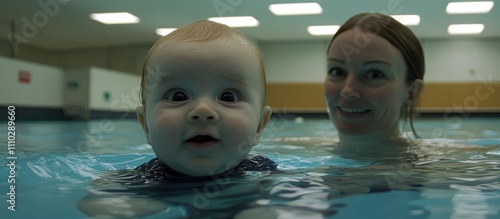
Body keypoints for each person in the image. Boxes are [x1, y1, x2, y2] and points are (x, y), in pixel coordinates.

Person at [79, 20, 276, 218]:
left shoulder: (261, 170)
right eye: (178, 96)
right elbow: (97, 205)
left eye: (228, 97)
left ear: (259, 125)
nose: (202, 110)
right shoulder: (144, 179)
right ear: (145, 125)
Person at [324, 12, 425, 156]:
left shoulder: (438, 169)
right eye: (337, 72)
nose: (347, 91)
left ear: (411, 93)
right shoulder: (300, 156)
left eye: (374, 74)